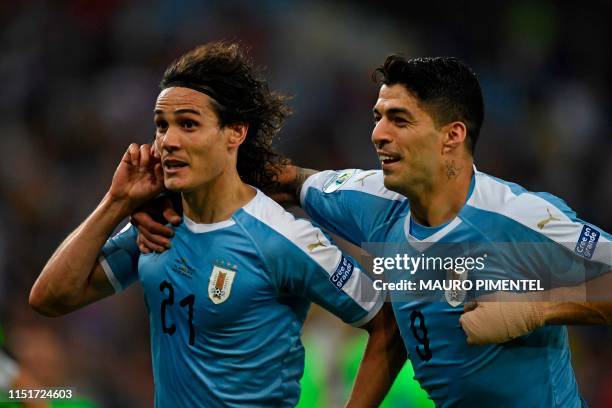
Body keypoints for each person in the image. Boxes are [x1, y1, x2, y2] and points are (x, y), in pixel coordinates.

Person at [135, 55, 612, 406]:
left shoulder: (520, 220)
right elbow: (273, 178)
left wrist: (540, 308)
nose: (378, 134)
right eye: (378, 117)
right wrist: (165, 199)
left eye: (399, 120)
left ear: (453, 135)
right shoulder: (365, 200)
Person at [29, 42, 406, 407]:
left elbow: (387, 324)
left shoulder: (282, 239)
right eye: (161, 126)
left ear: (235, 132)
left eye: (188, 125)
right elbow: (50, 299)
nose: (168, 141)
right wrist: (117, 202)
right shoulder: (158, 226)